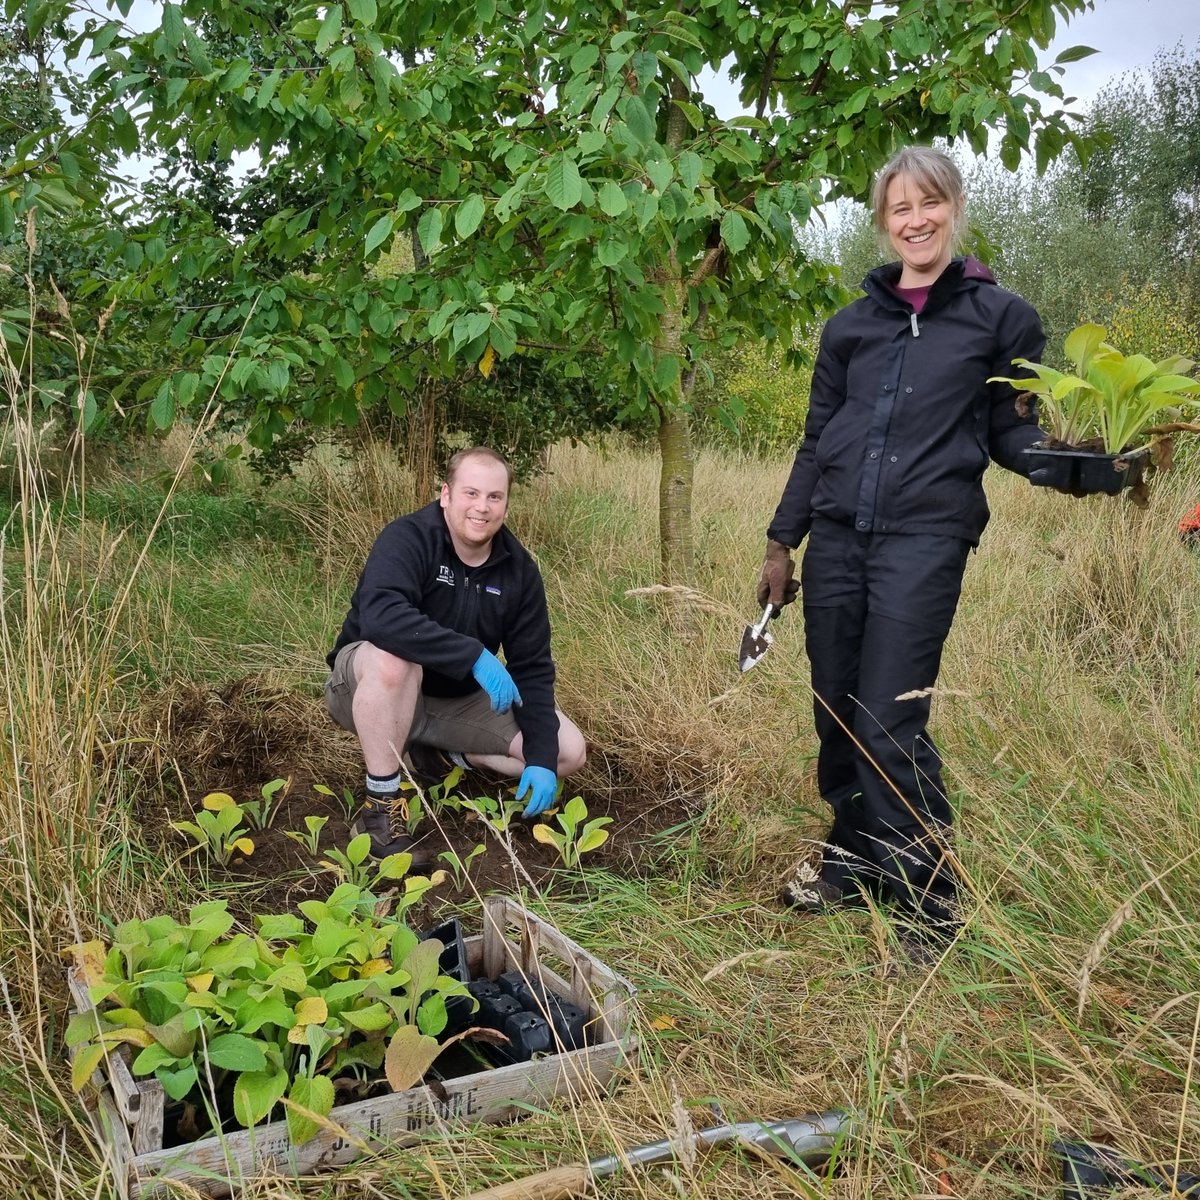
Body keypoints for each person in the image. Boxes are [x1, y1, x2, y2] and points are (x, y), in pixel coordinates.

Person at [757, 145, 1052, 948]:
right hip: (840, 540)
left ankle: (929, 895)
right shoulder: (851, 326)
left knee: (890, 719)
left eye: (930, 203)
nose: (915, 220)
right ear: (883, 223)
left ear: (954, 206)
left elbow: (1010, 435)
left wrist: (1076, 464)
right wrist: (784, 541)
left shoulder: (1002, 318)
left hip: (926, 539)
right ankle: (855, 860)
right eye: (899, 209)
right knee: (837, 711)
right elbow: (818, 438)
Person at [325, 446, 586, 861]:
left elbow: (532, 667)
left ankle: (439, 756)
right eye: (471, 493)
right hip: (366, 685)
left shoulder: (519, 570)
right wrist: (473, 656)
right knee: (396, 660)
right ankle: (379, 809)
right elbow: (380, 617)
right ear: (446, 494)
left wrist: (540, 756)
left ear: (505, 503)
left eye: (494, 497)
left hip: (454, 702)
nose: (481, 507)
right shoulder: (409, 537)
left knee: (567, 751)